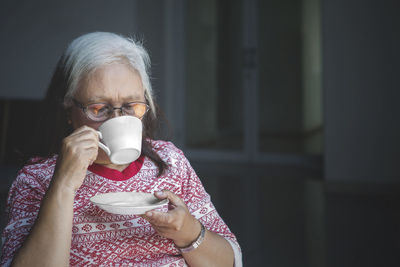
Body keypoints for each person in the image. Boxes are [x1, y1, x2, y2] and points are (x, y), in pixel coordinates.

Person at [0, 32, 242, 266]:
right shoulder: (37, 179)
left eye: (131, 106)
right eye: (98, 108)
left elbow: (229, 261)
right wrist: (62, 185)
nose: (117, 119)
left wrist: (189, 233)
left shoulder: (171, 161)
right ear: (68, 112)